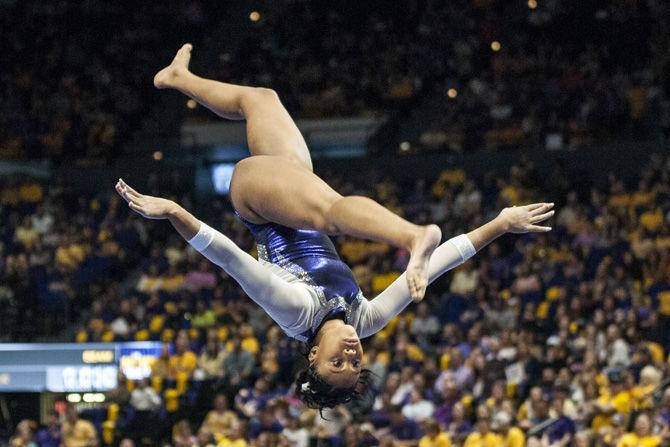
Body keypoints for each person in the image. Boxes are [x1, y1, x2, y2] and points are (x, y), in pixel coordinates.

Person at [116, 43, 554, 410]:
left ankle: (410, 235)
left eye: (335, 365)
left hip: (259, 203)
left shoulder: (296, 313)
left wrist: (175, 212)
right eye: (354, 367)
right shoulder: (364, 319)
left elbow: (231, 260)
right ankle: (178, 78)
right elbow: (435, 267)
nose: (350, 357)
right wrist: (500, 223)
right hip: (294, 195)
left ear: (312, 355)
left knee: (330, 213)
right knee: (261, 100)